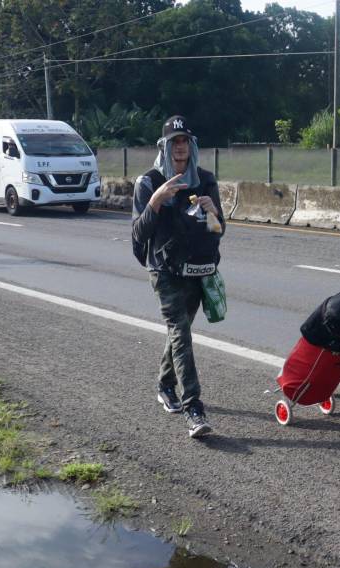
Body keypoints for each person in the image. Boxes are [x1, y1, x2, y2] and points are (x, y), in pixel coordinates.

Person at [132, 115, 225, 439]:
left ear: (192, 145)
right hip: (165, 271)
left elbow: (219, 230)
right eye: (175, 142)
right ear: (165, 146)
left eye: (185, 141)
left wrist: (212, 210)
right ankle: (194, 408)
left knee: (179, 333)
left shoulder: (205, 180)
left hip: (198, 270)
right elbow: (139, 232)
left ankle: (164, 384)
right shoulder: (149, 182)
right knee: (181, 333)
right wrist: (157, 201)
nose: (180, 147)